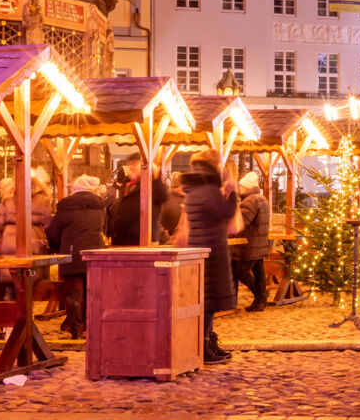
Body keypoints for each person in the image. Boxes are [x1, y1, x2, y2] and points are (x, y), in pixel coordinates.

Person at [181, 150, 236, 364]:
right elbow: (226, 213)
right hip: (210, 250)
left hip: (201, 247)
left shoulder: (194, 188)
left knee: (207, 301)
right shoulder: (208, 189)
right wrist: (232, 193)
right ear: (213, 165)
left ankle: (208, 342)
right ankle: (203, 346)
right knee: (207, 302)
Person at [48, 175, 107, 339]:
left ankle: (75, 328)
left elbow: (53, 231)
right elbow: (104, 229)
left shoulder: (65, 207)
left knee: (74, 292)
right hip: (96, 254)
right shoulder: (99, 207)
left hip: (72, 253)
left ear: (74, 190)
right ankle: (91, 325)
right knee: (92, 292)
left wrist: (58, 247)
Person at [107, 153, 170, 246]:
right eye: (129, 165)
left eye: (134, 164)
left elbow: (163, 196)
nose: (131, 167)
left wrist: (156, 176)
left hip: (141, 241)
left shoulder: (152, 184)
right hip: (124, 241)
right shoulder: (128, 185)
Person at [230, 171, 272, 312]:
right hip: (259, 243)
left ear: (247, 187)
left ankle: (261, 296)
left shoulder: (250, 201)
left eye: (241, 187)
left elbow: (242, 223)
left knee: (240, 272)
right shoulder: (262, 199)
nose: (239, 189)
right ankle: (259, 302)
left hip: (250, 244)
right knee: (259, 273)